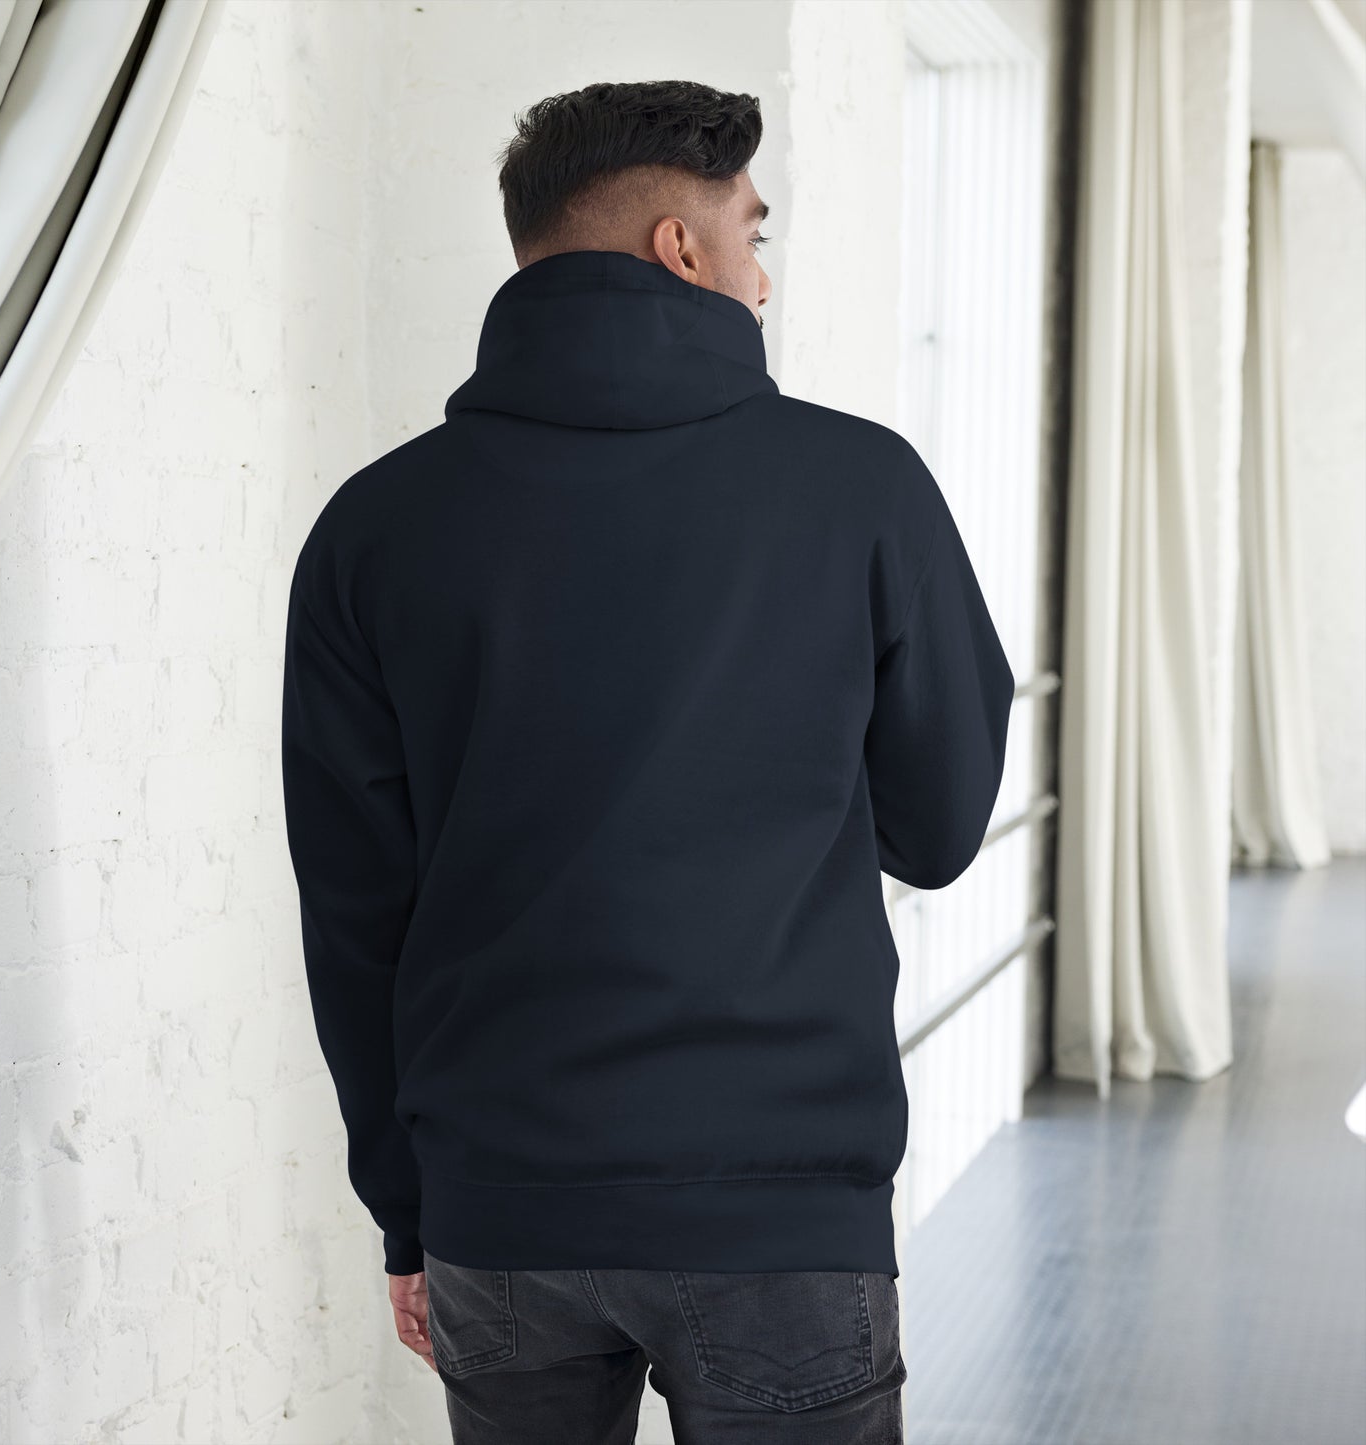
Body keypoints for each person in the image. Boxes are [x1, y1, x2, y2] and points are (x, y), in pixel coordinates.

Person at [280, 78, 1014, 1445]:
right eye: (753, 235)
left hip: (500, 1206)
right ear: (680, 248)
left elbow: (354, 915)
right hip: (782, 1207)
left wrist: (409, 1211)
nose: (762, 277)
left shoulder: (373, 528)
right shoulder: (862, 489)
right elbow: (939, 826)